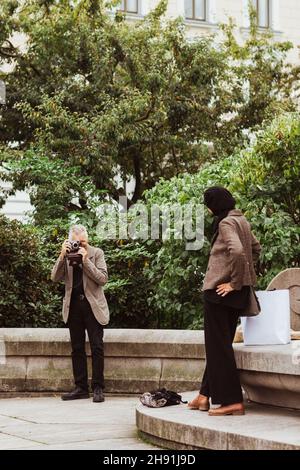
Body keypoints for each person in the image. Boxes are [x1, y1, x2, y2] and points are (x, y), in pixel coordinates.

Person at [188, 186, 261, 416]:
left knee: (218, 348)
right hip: (236, 296)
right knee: (220, 345)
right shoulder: (242, 220)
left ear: (214, 206)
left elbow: (238, 252)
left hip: (219, 294)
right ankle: (204, 395)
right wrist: (243, 280)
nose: (209, 211)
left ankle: (231, 402)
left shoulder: (225, 223)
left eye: (209, 206)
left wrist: (233, 282)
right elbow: (255, 249)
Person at [51, 225, 109, 403]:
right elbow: (54, 277)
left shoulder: (96, 253)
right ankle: (81, 388)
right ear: (70, 241)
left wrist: (86, 261)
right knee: (77, 348)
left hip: (92, 306)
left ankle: (98, 387)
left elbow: (102, 279)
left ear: (88, 239)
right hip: (73, 306)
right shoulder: (67, 253)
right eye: (77, 242)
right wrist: (62, 256)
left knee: (97, 346)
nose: (80, 245)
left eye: (83, 241)